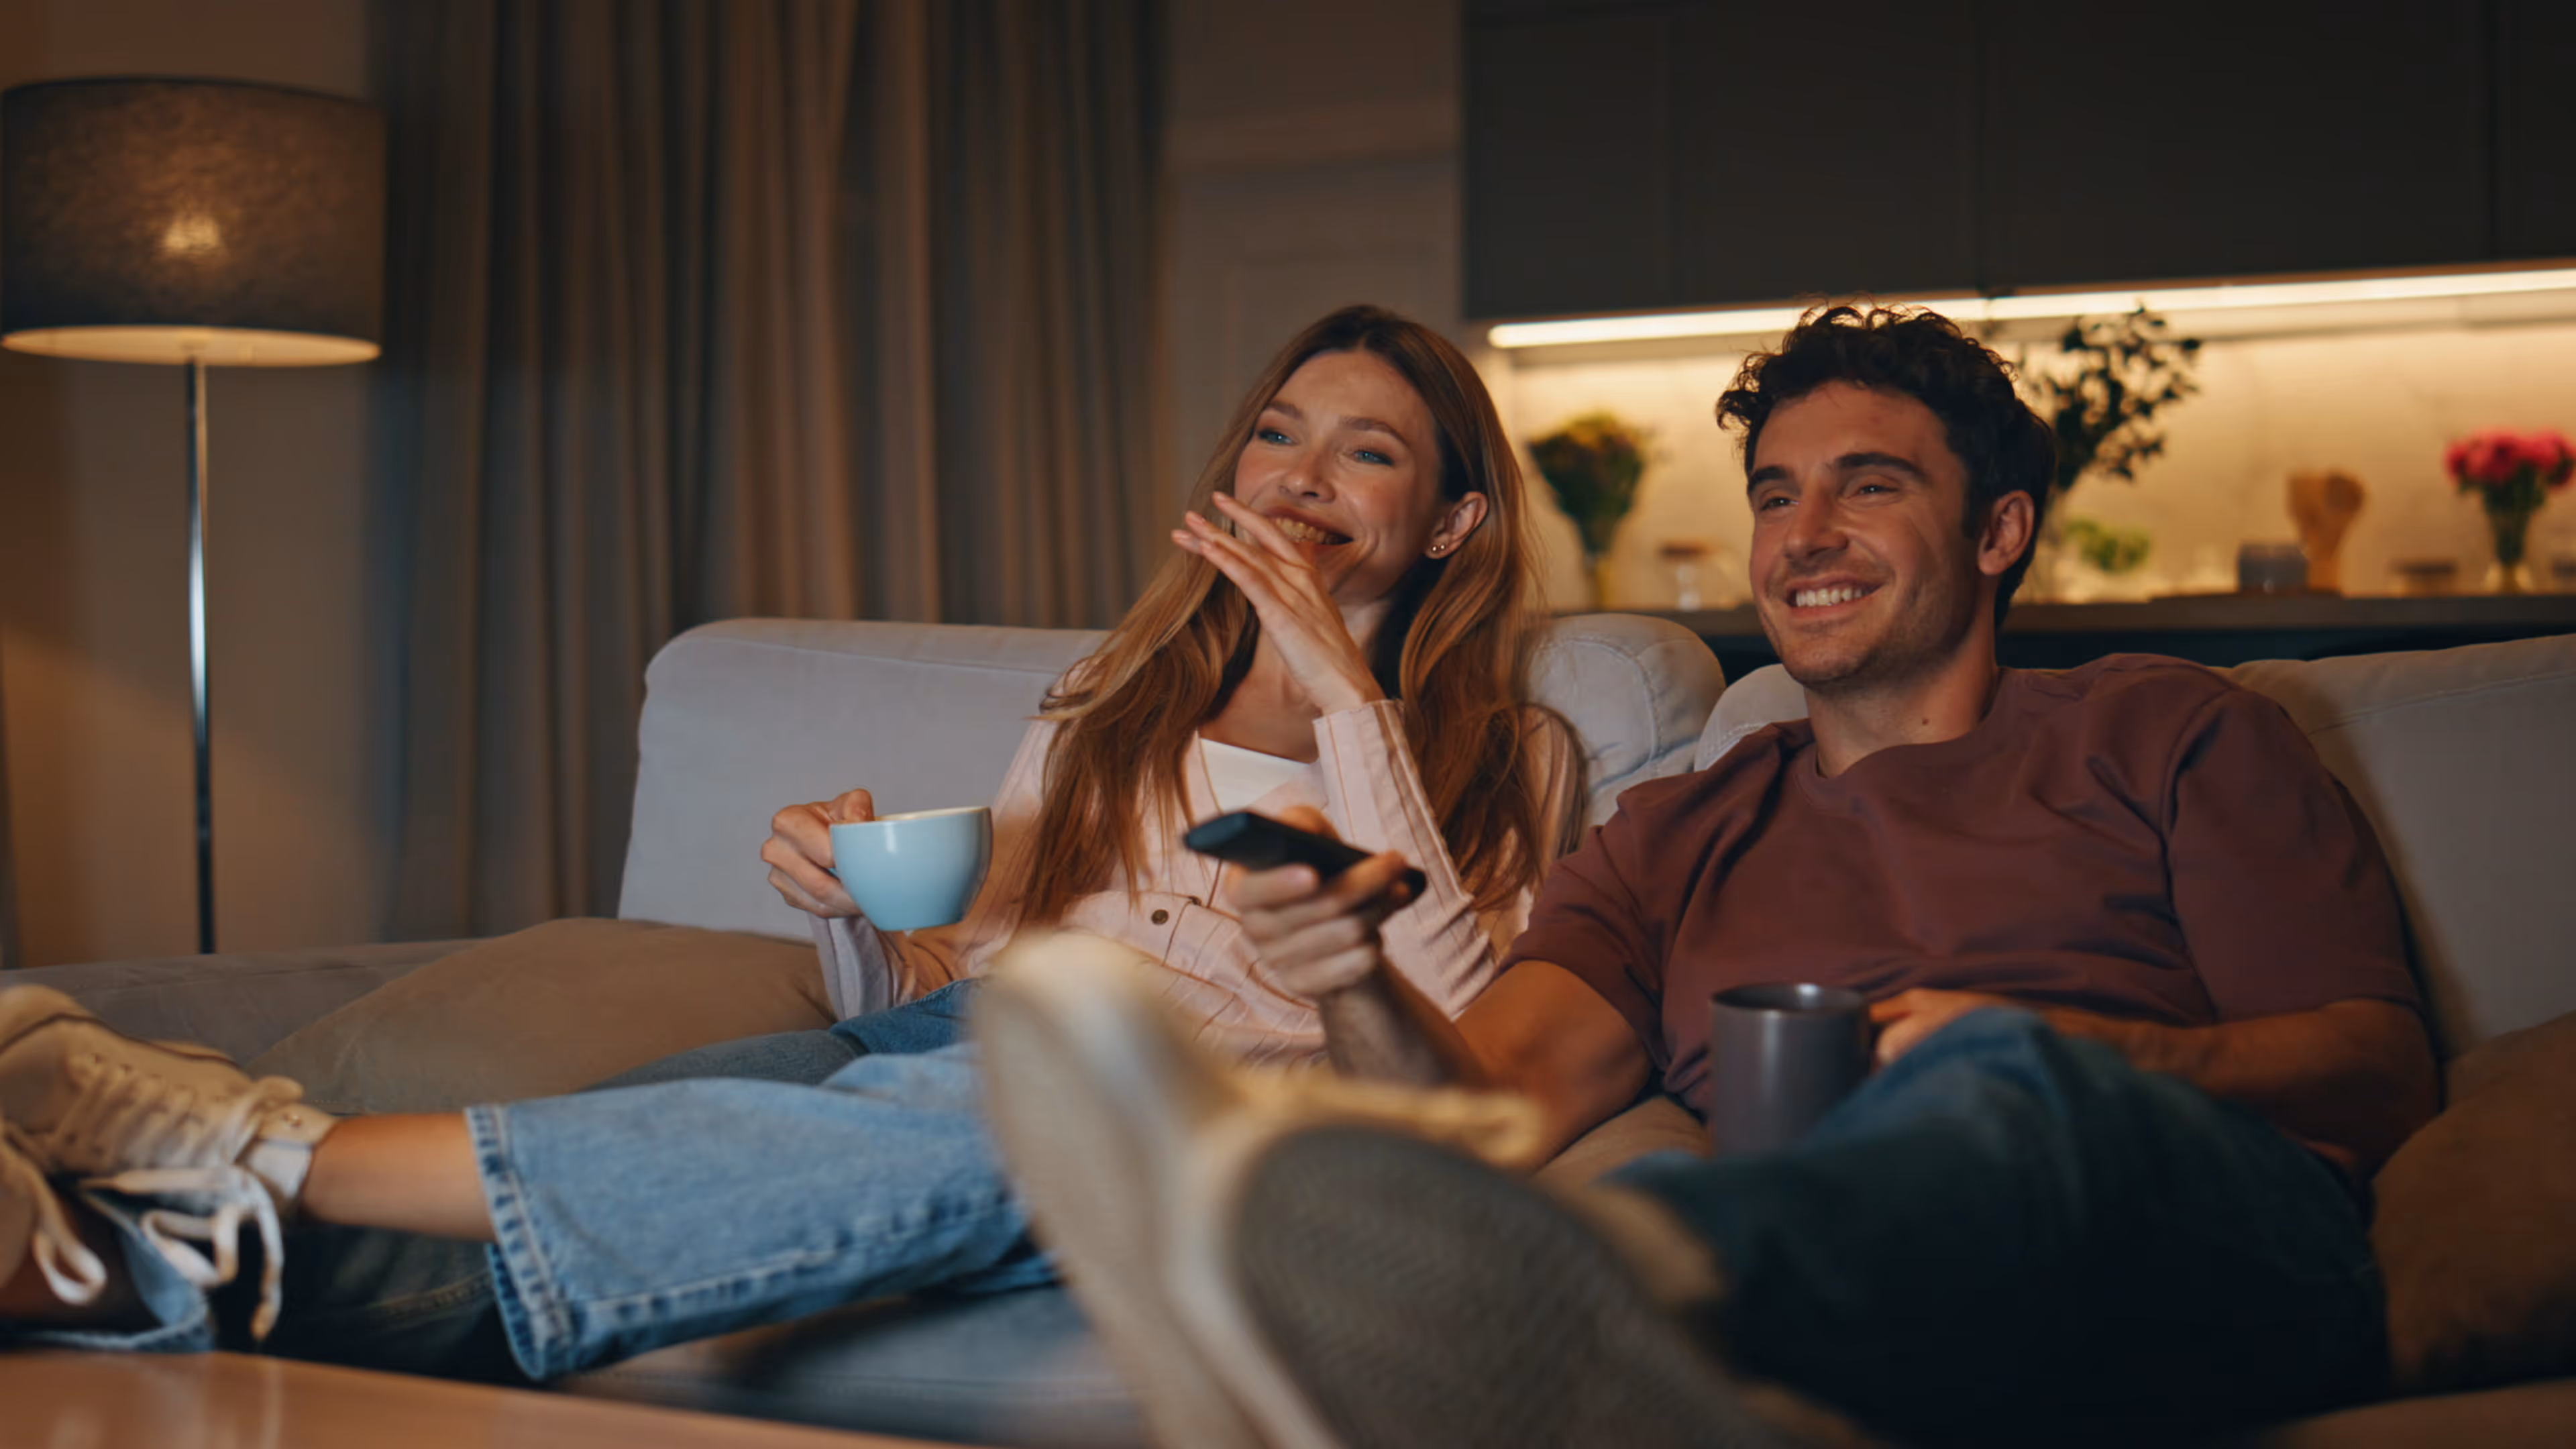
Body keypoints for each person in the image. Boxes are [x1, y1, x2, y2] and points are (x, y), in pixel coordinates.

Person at [0, 304, 1583, 1384]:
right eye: (1279, 434)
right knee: (615, 1148)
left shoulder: (1511, 756)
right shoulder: (1115, 693)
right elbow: (950, 980)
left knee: (985, 1121)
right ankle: (107, 1266)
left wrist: (1344, 692)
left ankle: (214, 1175)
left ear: (1450, 522)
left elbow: (1455, 1041)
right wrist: (845, 905)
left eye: (1368, 452)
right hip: (946, 1039)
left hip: (1170, 1101)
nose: (1301, 475)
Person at [979, 305, 2440, 1449]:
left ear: (1999, 532)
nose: (1805, 537)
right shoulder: (1675, 833)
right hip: (1861, 1299)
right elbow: (1484, 1108)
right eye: (1776, 495)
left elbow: (2379, 1071)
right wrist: (1353, 971)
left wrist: (2088, 1048)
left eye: (1870, 488)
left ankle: (1561, 1309)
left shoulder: (2171, 729)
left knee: (1999, 1080)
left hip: (2193, 1235)